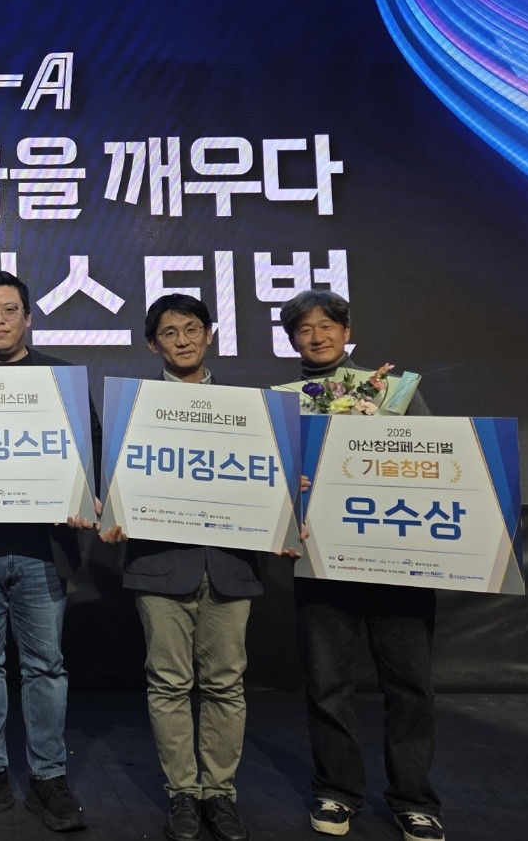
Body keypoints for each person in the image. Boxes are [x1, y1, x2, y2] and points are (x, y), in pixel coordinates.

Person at [281, 290, 443, 841]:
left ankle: (414, 800)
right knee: (328, 684)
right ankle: (337, 792)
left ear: (347, 332)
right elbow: (270, 478)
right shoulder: (283, 405)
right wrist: (291, 482)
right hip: (323, 555)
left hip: (399, 555)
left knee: (410, 686)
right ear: (292, 340)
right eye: (305, 329)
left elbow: (437, 455)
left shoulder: (395, 392)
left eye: (328, 325)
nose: (318, 336)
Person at [99, 294, 258, 841]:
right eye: (170, 333)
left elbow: (268, 480)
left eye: (192, 329)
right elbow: (113, 482)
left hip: (230, 565)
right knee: (168, 683)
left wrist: (287, 498)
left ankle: (221, 794)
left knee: (226, 685)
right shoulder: (133, 409)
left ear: (210, 334)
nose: (183, 340)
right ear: (153, 345)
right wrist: (112, 512)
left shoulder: (248, 410)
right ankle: (183, 794)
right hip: (160, 566)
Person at [0, 270, 99, 834]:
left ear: (29, 318)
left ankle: (47, 778)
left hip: (42, 550)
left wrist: (85, 495)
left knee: (45, 667)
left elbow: (90, 452)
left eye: (9, 310)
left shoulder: (61, 381)